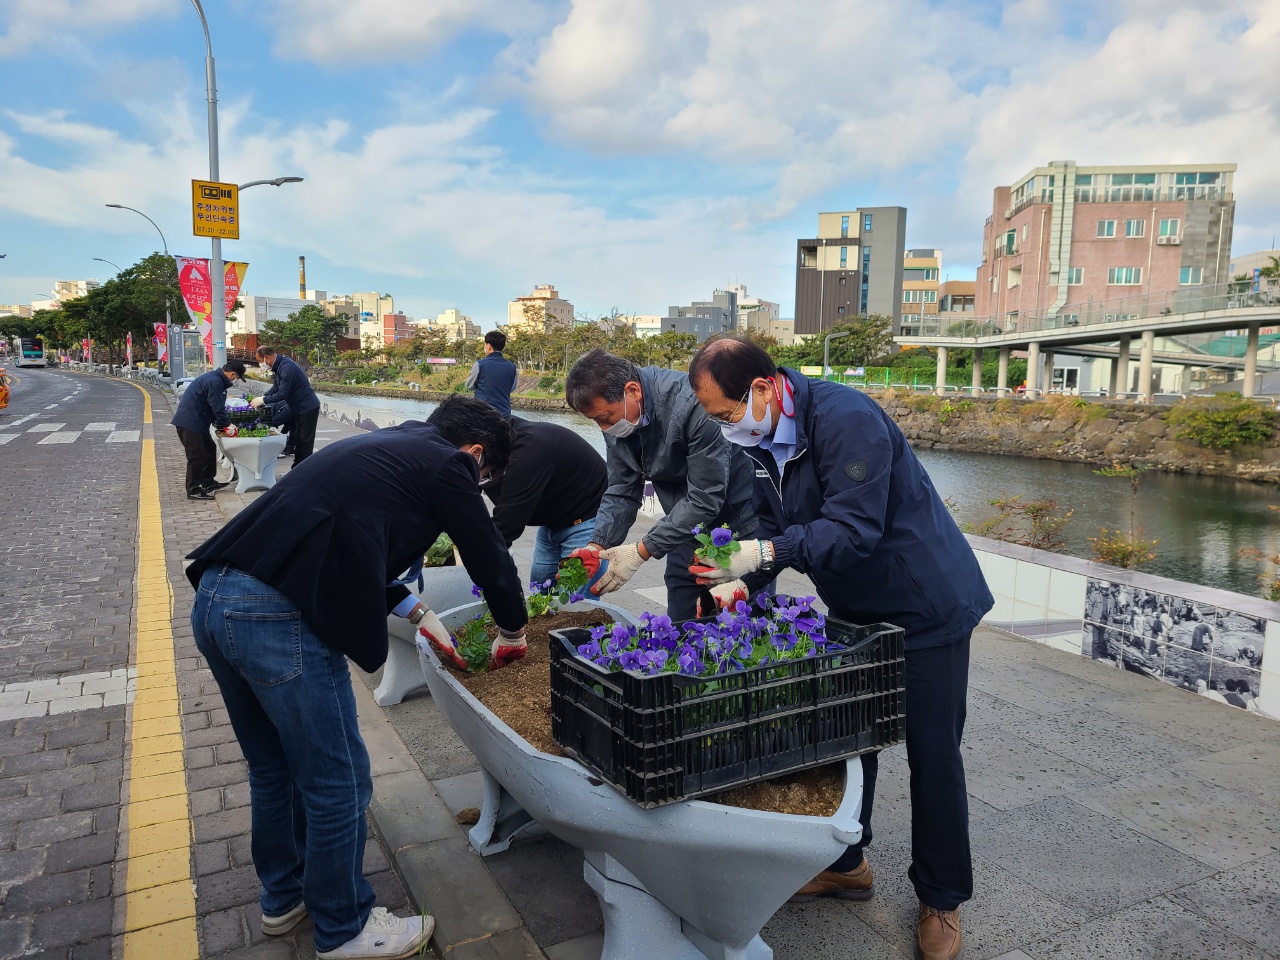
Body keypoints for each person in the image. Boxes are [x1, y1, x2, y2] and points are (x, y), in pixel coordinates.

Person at [185, 395, 528, 959]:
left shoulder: (384, 448)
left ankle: (283, 899)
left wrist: (420, 613)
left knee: (274, 769)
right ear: (475, 453)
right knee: (339, 781)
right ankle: (344, 930)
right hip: (277, 616)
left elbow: (343, 537)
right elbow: (489, 556)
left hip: (219, 598)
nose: (479, 485)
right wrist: (513, 632)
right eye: (485, 477)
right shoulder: (450, 465)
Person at [684, 337, 993, 960]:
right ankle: (849, 862)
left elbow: (852, 530)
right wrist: (741, 577)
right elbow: (772, 530)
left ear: (765, 389)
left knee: (933, 753)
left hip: (923, 602)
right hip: (855, 605)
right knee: (852, 736)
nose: (726, 429)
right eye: (715, 419)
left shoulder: (846, 418)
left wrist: (763, 555)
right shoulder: (764, 440)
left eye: (725, 414)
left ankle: (941, 899)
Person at [562, 348, 756, 621]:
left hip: (736, 527)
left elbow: (704, 498)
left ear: (633, 391)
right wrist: (597, 545)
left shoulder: (693, 406)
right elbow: (621, 488)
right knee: (681, 623)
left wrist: (640, 551)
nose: (603, 429)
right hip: (682, 530)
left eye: (604, 418)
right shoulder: (621, 419)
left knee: (739, 627)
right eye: (595, 421)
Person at [429, 408, 608, 586]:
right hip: (552, 522)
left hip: (588, 518)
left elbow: (506, 526)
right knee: (541, 588)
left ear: (475, 451)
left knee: (572, 597)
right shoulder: (489, 444)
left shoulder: (527, 452)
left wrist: (447, 553)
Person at [171, 360, 247, 501]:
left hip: (198, 422)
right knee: (197, 456)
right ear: (232, 374)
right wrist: (227, 424)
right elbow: (217, 407)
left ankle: (208, 482)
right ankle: (193, 489)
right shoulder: (215, 382)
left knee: (210, 448)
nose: (235, 380)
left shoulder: (214, 378)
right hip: (190, 423)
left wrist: (222, 423)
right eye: (236, 377)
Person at [251, 346, 320, 466]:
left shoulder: (287, 368)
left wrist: (264, 400)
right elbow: (276, 387)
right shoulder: (279, 366)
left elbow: (282, 393)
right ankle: (297, 469)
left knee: (305, 442)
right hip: (297, 407)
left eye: (259, 360)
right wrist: (262, 398)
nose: (259, 363)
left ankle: (304, 473)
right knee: (298, 440)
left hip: (307, 407)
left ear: (266, 357)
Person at [465, 330, 518, 417]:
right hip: (505, 415)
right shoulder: (512, 366)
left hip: (483, 414)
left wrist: (480, 388)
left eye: (485, 344)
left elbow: (469, 385)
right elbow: (512, 388)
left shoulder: (480, 364)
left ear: (489, 346)